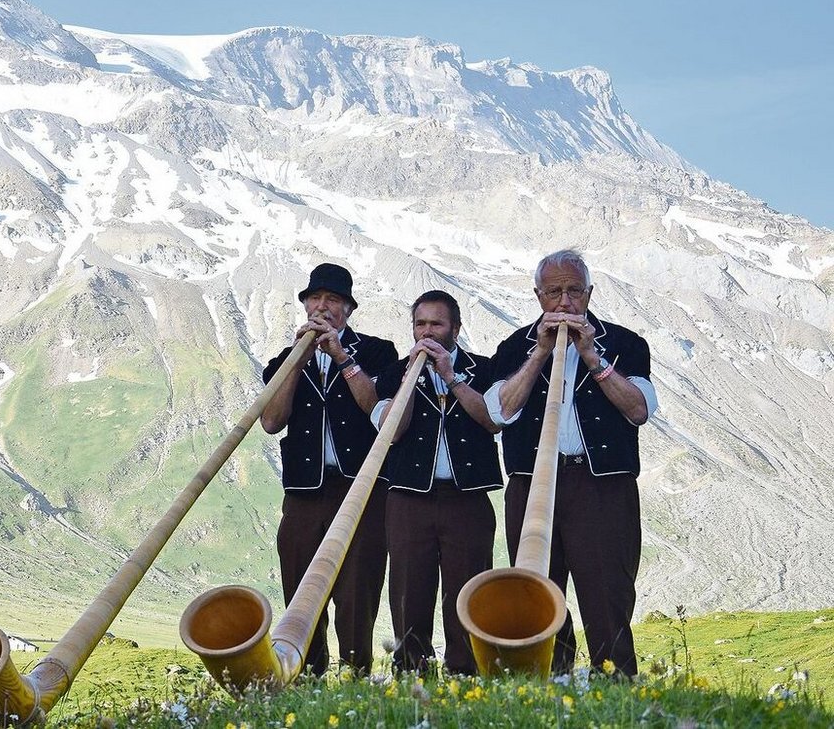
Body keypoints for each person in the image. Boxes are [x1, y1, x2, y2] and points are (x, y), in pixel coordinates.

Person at [483, 249, 658, 676]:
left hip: (601, 485)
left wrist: (594, 358)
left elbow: (639, 409)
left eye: (574, 291)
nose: (564, 302)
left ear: (589, 294)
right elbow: (499, 411)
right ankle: (549, 681)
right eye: (554, 292)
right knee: (538, 589)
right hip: (531, 483)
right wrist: (539, 353)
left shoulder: (624, 343)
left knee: (607, 590)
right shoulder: (515, 346)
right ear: (538, 296)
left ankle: (615, 683)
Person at [260, 262, 398, 673]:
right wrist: (297, 362)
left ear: (348, 310)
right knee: (300, 586)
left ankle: (355, 675)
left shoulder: (378, 352)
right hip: (304, 492)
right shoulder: (284, 361)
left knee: (357, 591)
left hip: (362, 490)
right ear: (305, 306)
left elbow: (377, 409)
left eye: (333, 300)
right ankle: (308, 676)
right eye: (315, 299)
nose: (322, 307)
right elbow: (271, 421)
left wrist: (339, 355)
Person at [373, 290, 502, 675]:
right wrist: (410, 381)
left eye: (436, 324)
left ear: (455, 329)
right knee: (409, 590)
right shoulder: (394, 372)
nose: (427, 332)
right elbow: (391, 431)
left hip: (467, 498)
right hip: (409, 498)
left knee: (469, 589)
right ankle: (413, 673)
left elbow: (493, 420)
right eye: (420, 324)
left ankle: (467, 673)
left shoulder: (483, 369)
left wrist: (451, 377)